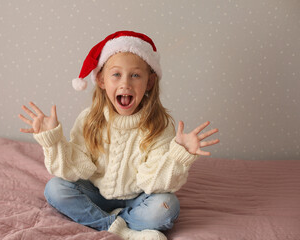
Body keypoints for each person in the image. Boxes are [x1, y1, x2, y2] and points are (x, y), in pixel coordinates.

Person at [18, 30, 219, 240]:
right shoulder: (89, 119)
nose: (126, 84)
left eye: (135, 75)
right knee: (54, 189)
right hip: (95, 193)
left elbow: (155, 183)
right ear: (101, 80)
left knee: (167, 206)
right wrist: (53, 141)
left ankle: (107, 219)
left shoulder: (160, 125)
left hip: (139, 198)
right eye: (116, 74)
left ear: (149, 82)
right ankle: (123, 229)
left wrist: (178, 157)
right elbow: (74, 168)